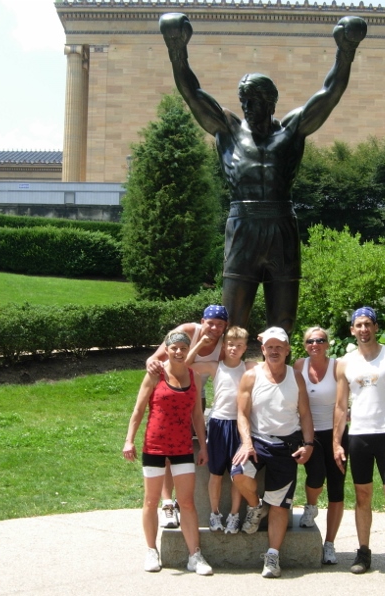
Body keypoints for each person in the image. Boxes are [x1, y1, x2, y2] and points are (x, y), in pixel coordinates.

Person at [159, 12, 367, 336]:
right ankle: (231, 386)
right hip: (243, 229)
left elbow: (329, 95)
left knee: (282, 327)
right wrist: (176, 48)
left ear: (271, 102)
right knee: (233, 327)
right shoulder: (228, 130)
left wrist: (346, 52)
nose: (247, 106)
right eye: (243, 100)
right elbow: (192, 93)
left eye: (254, 100)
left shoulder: (291, 131)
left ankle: (280, 384)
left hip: (282, 229)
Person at [333, 307, 385, 582]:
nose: (364, 329)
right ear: (352, 330)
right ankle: (363, 552)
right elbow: (341, 405)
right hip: (358, 437)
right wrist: (337, 441)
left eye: (368, 324)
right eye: (359, 325)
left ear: (376, 327)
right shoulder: (345, 363)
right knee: (362, 496)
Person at [123, 330, 213, 576]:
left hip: (183, 446)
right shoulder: (155, 373)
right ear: (167, 349)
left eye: (183, 348)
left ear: (187, 350)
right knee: (151, 501)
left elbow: (197, 416)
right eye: (174, 348)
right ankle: (151, 550)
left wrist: (203, 446)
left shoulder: (193, 376)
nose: (179, 352)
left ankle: (195, 555)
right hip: (154, 444)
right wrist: (129, 440)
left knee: (187, 503)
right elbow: (139, 409)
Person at [230, 326, 315, 578]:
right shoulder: (251, 376)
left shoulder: (295, 376)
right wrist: (246, 443)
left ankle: (272, 556)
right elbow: (242, 414)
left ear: (288, 350)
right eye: (270, 346)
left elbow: (305, 413)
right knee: (239, 474)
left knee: (279, 506)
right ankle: (255, 507)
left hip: (286, 446)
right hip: (256, 441)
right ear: (263, 349)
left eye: (279, 346)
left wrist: (308, 444)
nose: (274, 351)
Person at [145, 304, 228, 528]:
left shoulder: (221, 346)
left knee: (184, 448)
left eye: (219, 325)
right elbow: (159, 360)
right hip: (169, 390)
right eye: (210, 323)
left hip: (194, 392)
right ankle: (166, 503)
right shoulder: (187, 332)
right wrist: (199, 343)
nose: (214, 328)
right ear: (202, 322)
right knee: (167, 451)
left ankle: (182, 500)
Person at [186, 325, 257, 534]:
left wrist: (264, 342)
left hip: (240, 425)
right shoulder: (215, 366)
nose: (234, 349)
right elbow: (186, 365)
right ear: (224, 346)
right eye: (230, 345)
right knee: (215, 473)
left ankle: (234, 515)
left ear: (245, 348)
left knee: (237, 474)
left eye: (239, 345)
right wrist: (200, 343)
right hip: (218, 423)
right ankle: (214, 513)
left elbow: (273, 365)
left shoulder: (249, 367)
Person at [292, 326, 346, 565]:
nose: (316, 344)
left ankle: (330, 544)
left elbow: (341, 405)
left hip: (335, 432)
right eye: (311, 341)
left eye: (320, 340)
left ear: (327, 344)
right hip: (307, 433)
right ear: (305, 345)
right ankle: (311, 505)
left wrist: (337, 442)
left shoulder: (338, 366)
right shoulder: (298, 366)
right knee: (315, 477)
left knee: (336, 487)